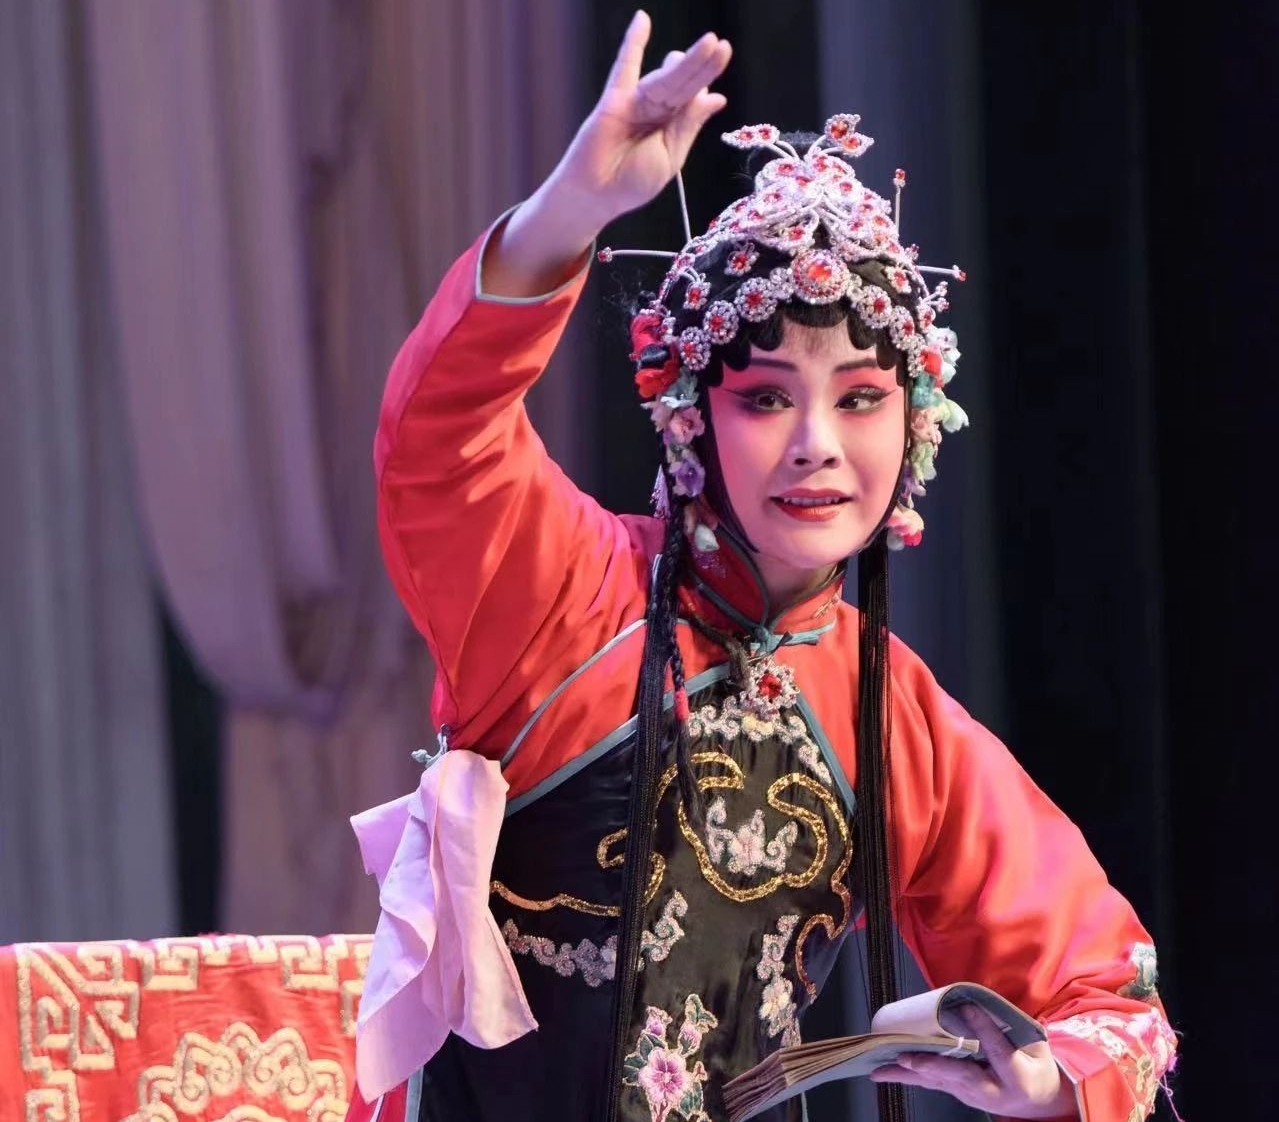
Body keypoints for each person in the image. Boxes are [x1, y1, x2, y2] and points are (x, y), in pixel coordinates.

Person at [343, 11, 1178, 1122]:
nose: (816, 445)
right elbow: (439, 439)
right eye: (767, 397)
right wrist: (568, 211)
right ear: (692, 417)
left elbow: (1104, 987)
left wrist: (1048, 1074)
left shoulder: (893, 716)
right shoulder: (563, 595)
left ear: (916, 424)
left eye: (861, 398)